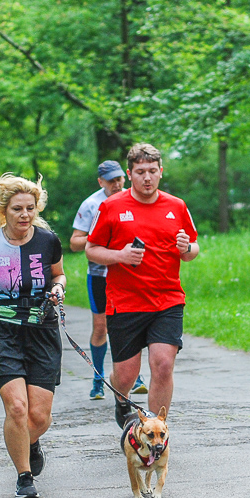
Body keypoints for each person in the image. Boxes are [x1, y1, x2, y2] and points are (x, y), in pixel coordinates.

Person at [0, 174, 66, 498]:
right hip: (3, 332)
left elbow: (59, 274)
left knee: (39, 417)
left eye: (30, 208)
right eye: (17, 209)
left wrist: (58, 289)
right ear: (4, 210)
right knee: (18, 408)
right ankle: (24, 476)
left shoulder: (48, 240)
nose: (24, 215)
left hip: (42, 330)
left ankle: (29, 442)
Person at [85, 143, 199, 428]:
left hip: (167, 300)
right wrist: (120, 256)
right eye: (140, 172)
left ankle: (155, 429)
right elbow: (91, 249)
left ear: (161, 171)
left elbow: (192, 250)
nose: (147, 177)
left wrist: (187, 248)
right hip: (125, 302)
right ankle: (121, 400)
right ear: (129, 174)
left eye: (152, 171)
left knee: (163, 365)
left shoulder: (177, 206)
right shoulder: (111, 207)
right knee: (125, 377)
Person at [70, 160, 146, 400]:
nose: (117, 184)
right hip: (100, 275)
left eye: (119, 179)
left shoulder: (135, 199)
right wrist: (100, 237)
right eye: (111, 180)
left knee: (131, 324)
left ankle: (134, 377)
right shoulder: (91, 204)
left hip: (129, 274)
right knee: (101, 327)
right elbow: (74, 242)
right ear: (100, 182)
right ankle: (98, 378)